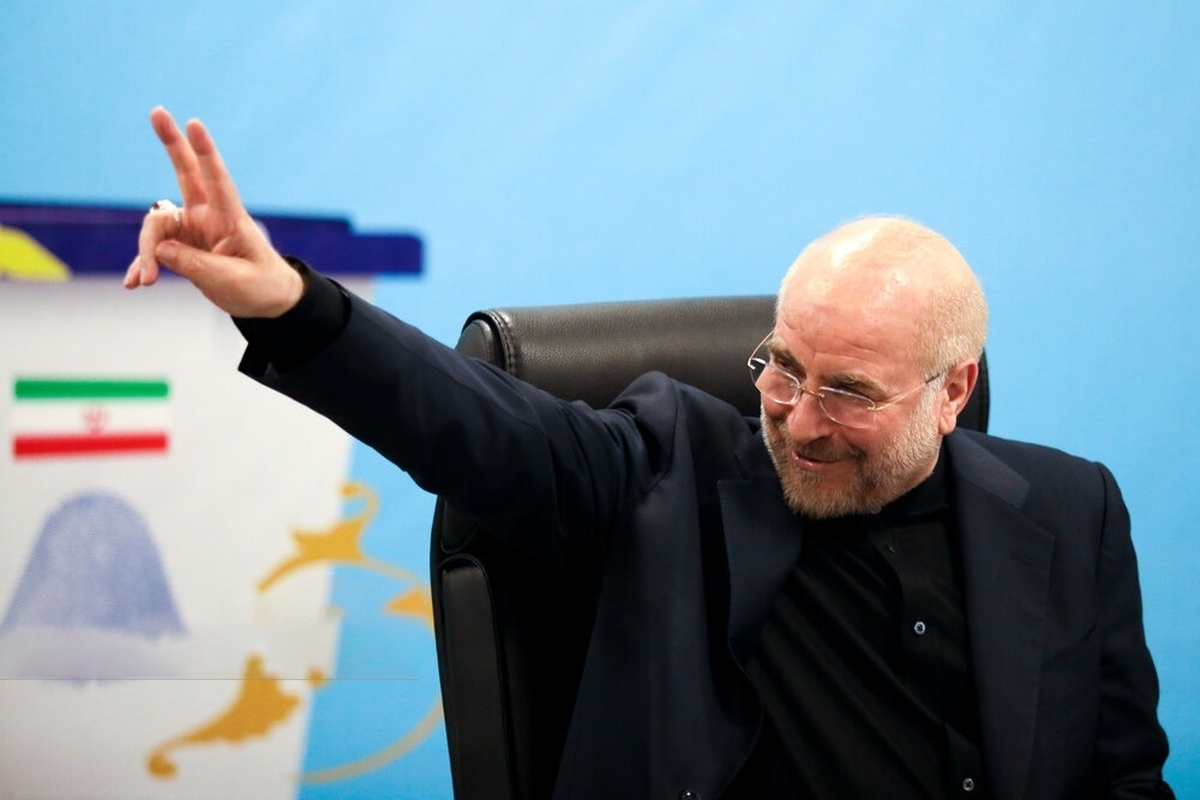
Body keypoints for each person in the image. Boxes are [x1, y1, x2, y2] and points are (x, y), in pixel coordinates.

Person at [126, 107, 1174, 799]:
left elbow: (1125, 773)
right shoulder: (670, 474)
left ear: (953, 391)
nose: (799, 419)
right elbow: (472, 422)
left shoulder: (1070, 509)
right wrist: (292, 306)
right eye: (782, 367)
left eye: (849, 391)